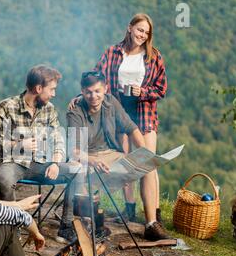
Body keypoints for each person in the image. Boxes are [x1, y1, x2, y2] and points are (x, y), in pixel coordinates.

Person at [71, 14, 167, 223]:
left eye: (146, 32)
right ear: (130, 28)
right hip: (118, 110)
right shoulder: (113, 52)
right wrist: (80, 96)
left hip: (144, 112)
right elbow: (95, 78)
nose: (142, 35)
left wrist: (141, 92)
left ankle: (154, 216)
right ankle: (129, 209)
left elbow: (161, 89)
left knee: (147, 161)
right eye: (140, 29)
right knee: (124, 160)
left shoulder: (154, 56)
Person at [65, 71, 170, 241]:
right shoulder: (75, 112)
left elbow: (132, 128)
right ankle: (86, 225)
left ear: (105, 89)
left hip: (111, 154)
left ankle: (151, 224)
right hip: (87, 156)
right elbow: (74, 151)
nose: (94, 96)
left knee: (148, 165)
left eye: (98, 91)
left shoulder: (111, 103)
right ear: (82, 92)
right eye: (89, 92)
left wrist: (144, 152)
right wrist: (93, 160)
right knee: (81, 174)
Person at [0, 65, 79, 243]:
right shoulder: (6, 106)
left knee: (76, 170)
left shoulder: (49, 109)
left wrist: (56, 162)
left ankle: (65, 226)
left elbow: (58, 138)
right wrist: (18, 144)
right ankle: (11, 229)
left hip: (40, 164)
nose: (54, 94)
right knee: (3, 179)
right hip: (13, 162)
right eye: (52, 89)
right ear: (38, 88)